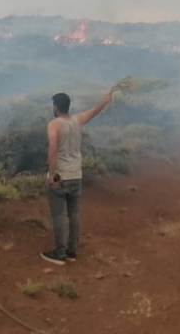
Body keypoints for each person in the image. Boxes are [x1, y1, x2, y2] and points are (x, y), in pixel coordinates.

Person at [40, 86, 114, 265]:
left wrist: (52, 175)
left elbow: (53, 148)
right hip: (76, 175)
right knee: (74, 213)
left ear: (56, 107)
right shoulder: (77, 120)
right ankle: (72, 251)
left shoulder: (54, 124)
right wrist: (105, 100)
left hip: (61, 175)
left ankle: (59, 253)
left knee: (58, 215)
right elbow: (95, 110)